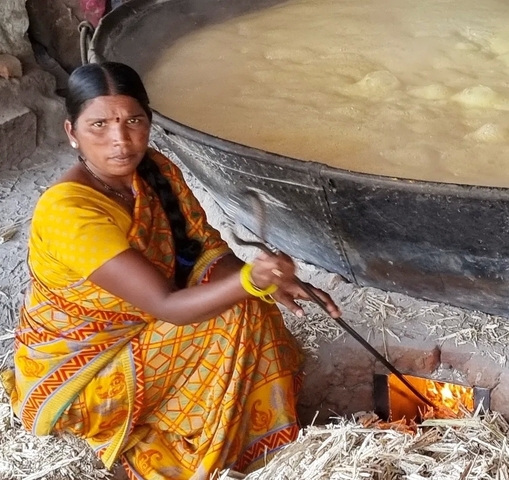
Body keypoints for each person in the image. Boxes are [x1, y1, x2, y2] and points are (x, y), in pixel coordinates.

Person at [0, 61, 340, 479]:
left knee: (248, 307)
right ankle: (206, 460)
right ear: (72, 133)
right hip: (80, 378)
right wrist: (251, 281)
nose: (120, 140)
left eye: (133, 121)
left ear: (149, 121)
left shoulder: (155, 170)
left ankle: (260, 445)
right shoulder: (69, 212)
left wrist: (266, 284)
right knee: (233, 314)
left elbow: (203, 252)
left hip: (139, 335)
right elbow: (169, 306)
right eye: (99, 125)